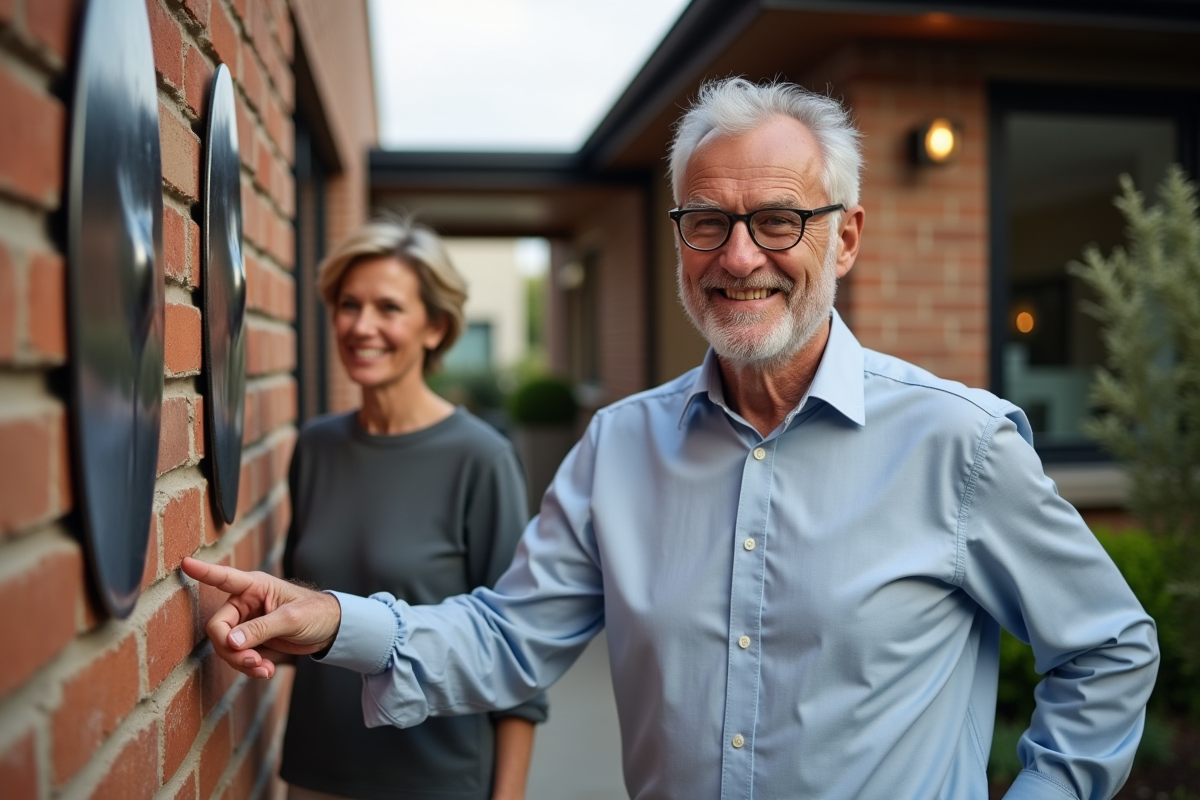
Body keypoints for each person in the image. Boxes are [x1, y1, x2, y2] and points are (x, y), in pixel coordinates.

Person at [185, 78, 1158, 800]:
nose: (740, 257)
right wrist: (331, 619)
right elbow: (507, 635)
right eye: (707, 222)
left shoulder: (960, 442)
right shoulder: (619, 448)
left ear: (846, 238)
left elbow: (1110, 648)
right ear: (679, 233)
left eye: (780, 219)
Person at [272, 217, 546, 800]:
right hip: (315, 775)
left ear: (435, 327)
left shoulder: (481, 458)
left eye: (388, 308)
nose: (362, 326)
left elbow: (517, 651)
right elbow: (310, 612)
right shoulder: (317, 447)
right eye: (349, 304)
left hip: (436, 782)